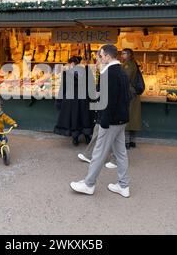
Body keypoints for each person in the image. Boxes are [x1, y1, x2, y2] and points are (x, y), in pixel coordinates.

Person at [70, 44, 132, 198]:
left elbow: (109, 101)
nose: (99, 58)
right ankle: (123, 186)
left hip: (110, 121)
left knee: (98, 152)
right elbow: (124, 96)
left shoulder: (109, 73)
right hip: (121, 119)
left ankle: (89, 184)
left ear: (108, 57)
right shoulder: (121, 71)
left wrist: (103, 120)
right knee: (121, 153)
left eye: (100, 55)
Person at [54, 56, 94, 146]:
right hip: (84, 99)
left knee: (74, 118)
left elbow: (62, 88)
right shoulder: (87, 72)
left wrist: (59, 101)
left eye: (68, 64)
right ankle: (87, 136)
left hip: (71, 101)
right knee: (85, 117)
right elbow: (91, 87)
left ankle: (75, 138)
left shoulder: (67, 73)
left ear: (72, 63)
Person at [121, 48, 142, 149]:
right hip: (134, 94)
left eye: (123, 53)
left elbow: (125, 77)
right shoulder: (133, 63)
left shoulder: (128, 64)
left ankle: (126, 142)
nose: (122, 55)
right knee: (133, 118)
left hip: (129, 94)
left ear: (128, 54)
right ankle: (133, 141)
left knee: (128, 118)